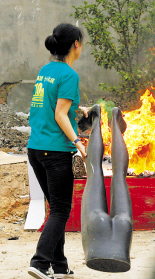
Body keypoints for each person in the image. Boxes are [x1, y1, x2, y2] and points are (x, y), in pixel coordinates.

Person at [27, 23, 89, 279]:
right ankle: (40, 263)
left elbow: (53, 107)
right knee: (62, 210)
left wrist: (77, 110)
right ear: (76, 44)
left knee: (56, 207)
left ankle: (60, 266)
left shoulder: (46, 70)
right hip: (55, 151)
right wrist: (77, 141)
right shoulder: (69, 74)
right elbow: (59, 113)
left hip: (36, 148)